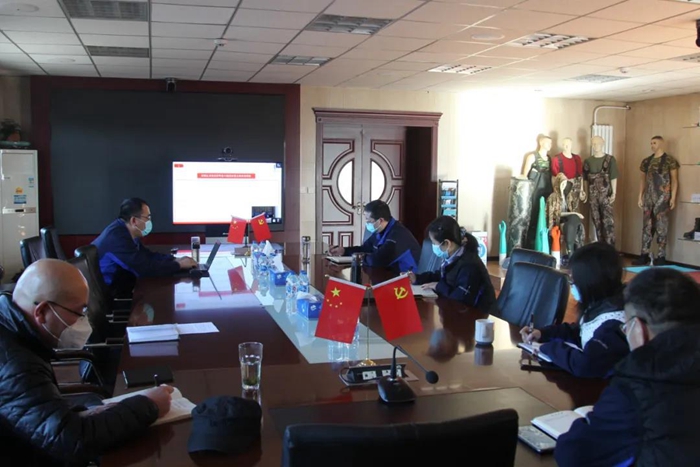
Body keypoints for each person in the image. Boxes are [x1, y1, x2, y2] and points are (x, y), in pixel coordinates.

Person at [0, 259, 174, 466]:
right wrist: (149, 405)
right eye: (79, 312)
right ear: (42, 312)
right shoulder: (15, 365)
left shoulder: (13, 331)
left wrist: (85, 414)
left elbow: (37, 415)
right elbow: (72, 441)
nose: (84, 321)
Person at [555, 268, 700, 466]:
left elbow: (571, 453)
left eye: (626, 326)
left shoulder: (638, 385)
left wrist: (589, 421)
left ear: (638, 329)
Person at [520, 242, 628, 378]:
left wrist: (546, 347)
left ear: (589, 282)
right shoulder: (599, 305)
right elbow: (580, 332)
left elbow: (585, 365)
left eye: (574, 281)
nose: (572, 286)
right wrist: (543, 333)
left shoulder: (615, 324)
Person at [93, 198, 197, 298]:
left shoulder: (125, 231)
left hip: (119, 285)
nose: (149, 222)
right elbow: (145, 269)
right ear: (134, 220)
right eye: (147, 218)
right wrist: (178, 265)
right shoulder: (117, 238)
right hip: (108, 294)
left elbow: (147, 256)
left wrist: (174, 259)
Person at [408, 216, 496, 313]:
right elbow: (440, 276)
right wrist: (417, 278)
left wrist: (438, 286)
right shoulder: (452, 257)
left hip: (477, 316)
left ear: (447, 243)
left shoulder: (470, 265)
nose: (433, 246)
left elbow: (461, 298)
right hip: (456, 312)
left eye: (434, 243)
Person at [328, 200, 420, 272]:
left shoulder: (397, 235)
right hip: (385, 272)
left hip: (405, 279)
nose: (367, 224)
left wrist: (359, 257)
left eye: (369, 221)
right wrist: (344, 251)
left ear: (380, 221)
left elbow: (377, 260)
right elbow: (365, 248)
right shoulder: (381, 230)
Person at [633, 136, 679, 266]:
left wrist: (673, 197)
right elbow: (642, 180)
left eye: (655, 143)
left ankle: (661, 256)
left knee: (661, 226)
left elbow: (674, 180)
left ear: (661, 143)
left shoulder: (669, 160)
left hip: (663, 198)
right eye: (651, 143)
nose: (652, 145)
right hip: (649, 197)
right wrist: (640, 196)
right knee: (647, 226)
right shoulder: (646, 161)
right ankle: (644, 255)